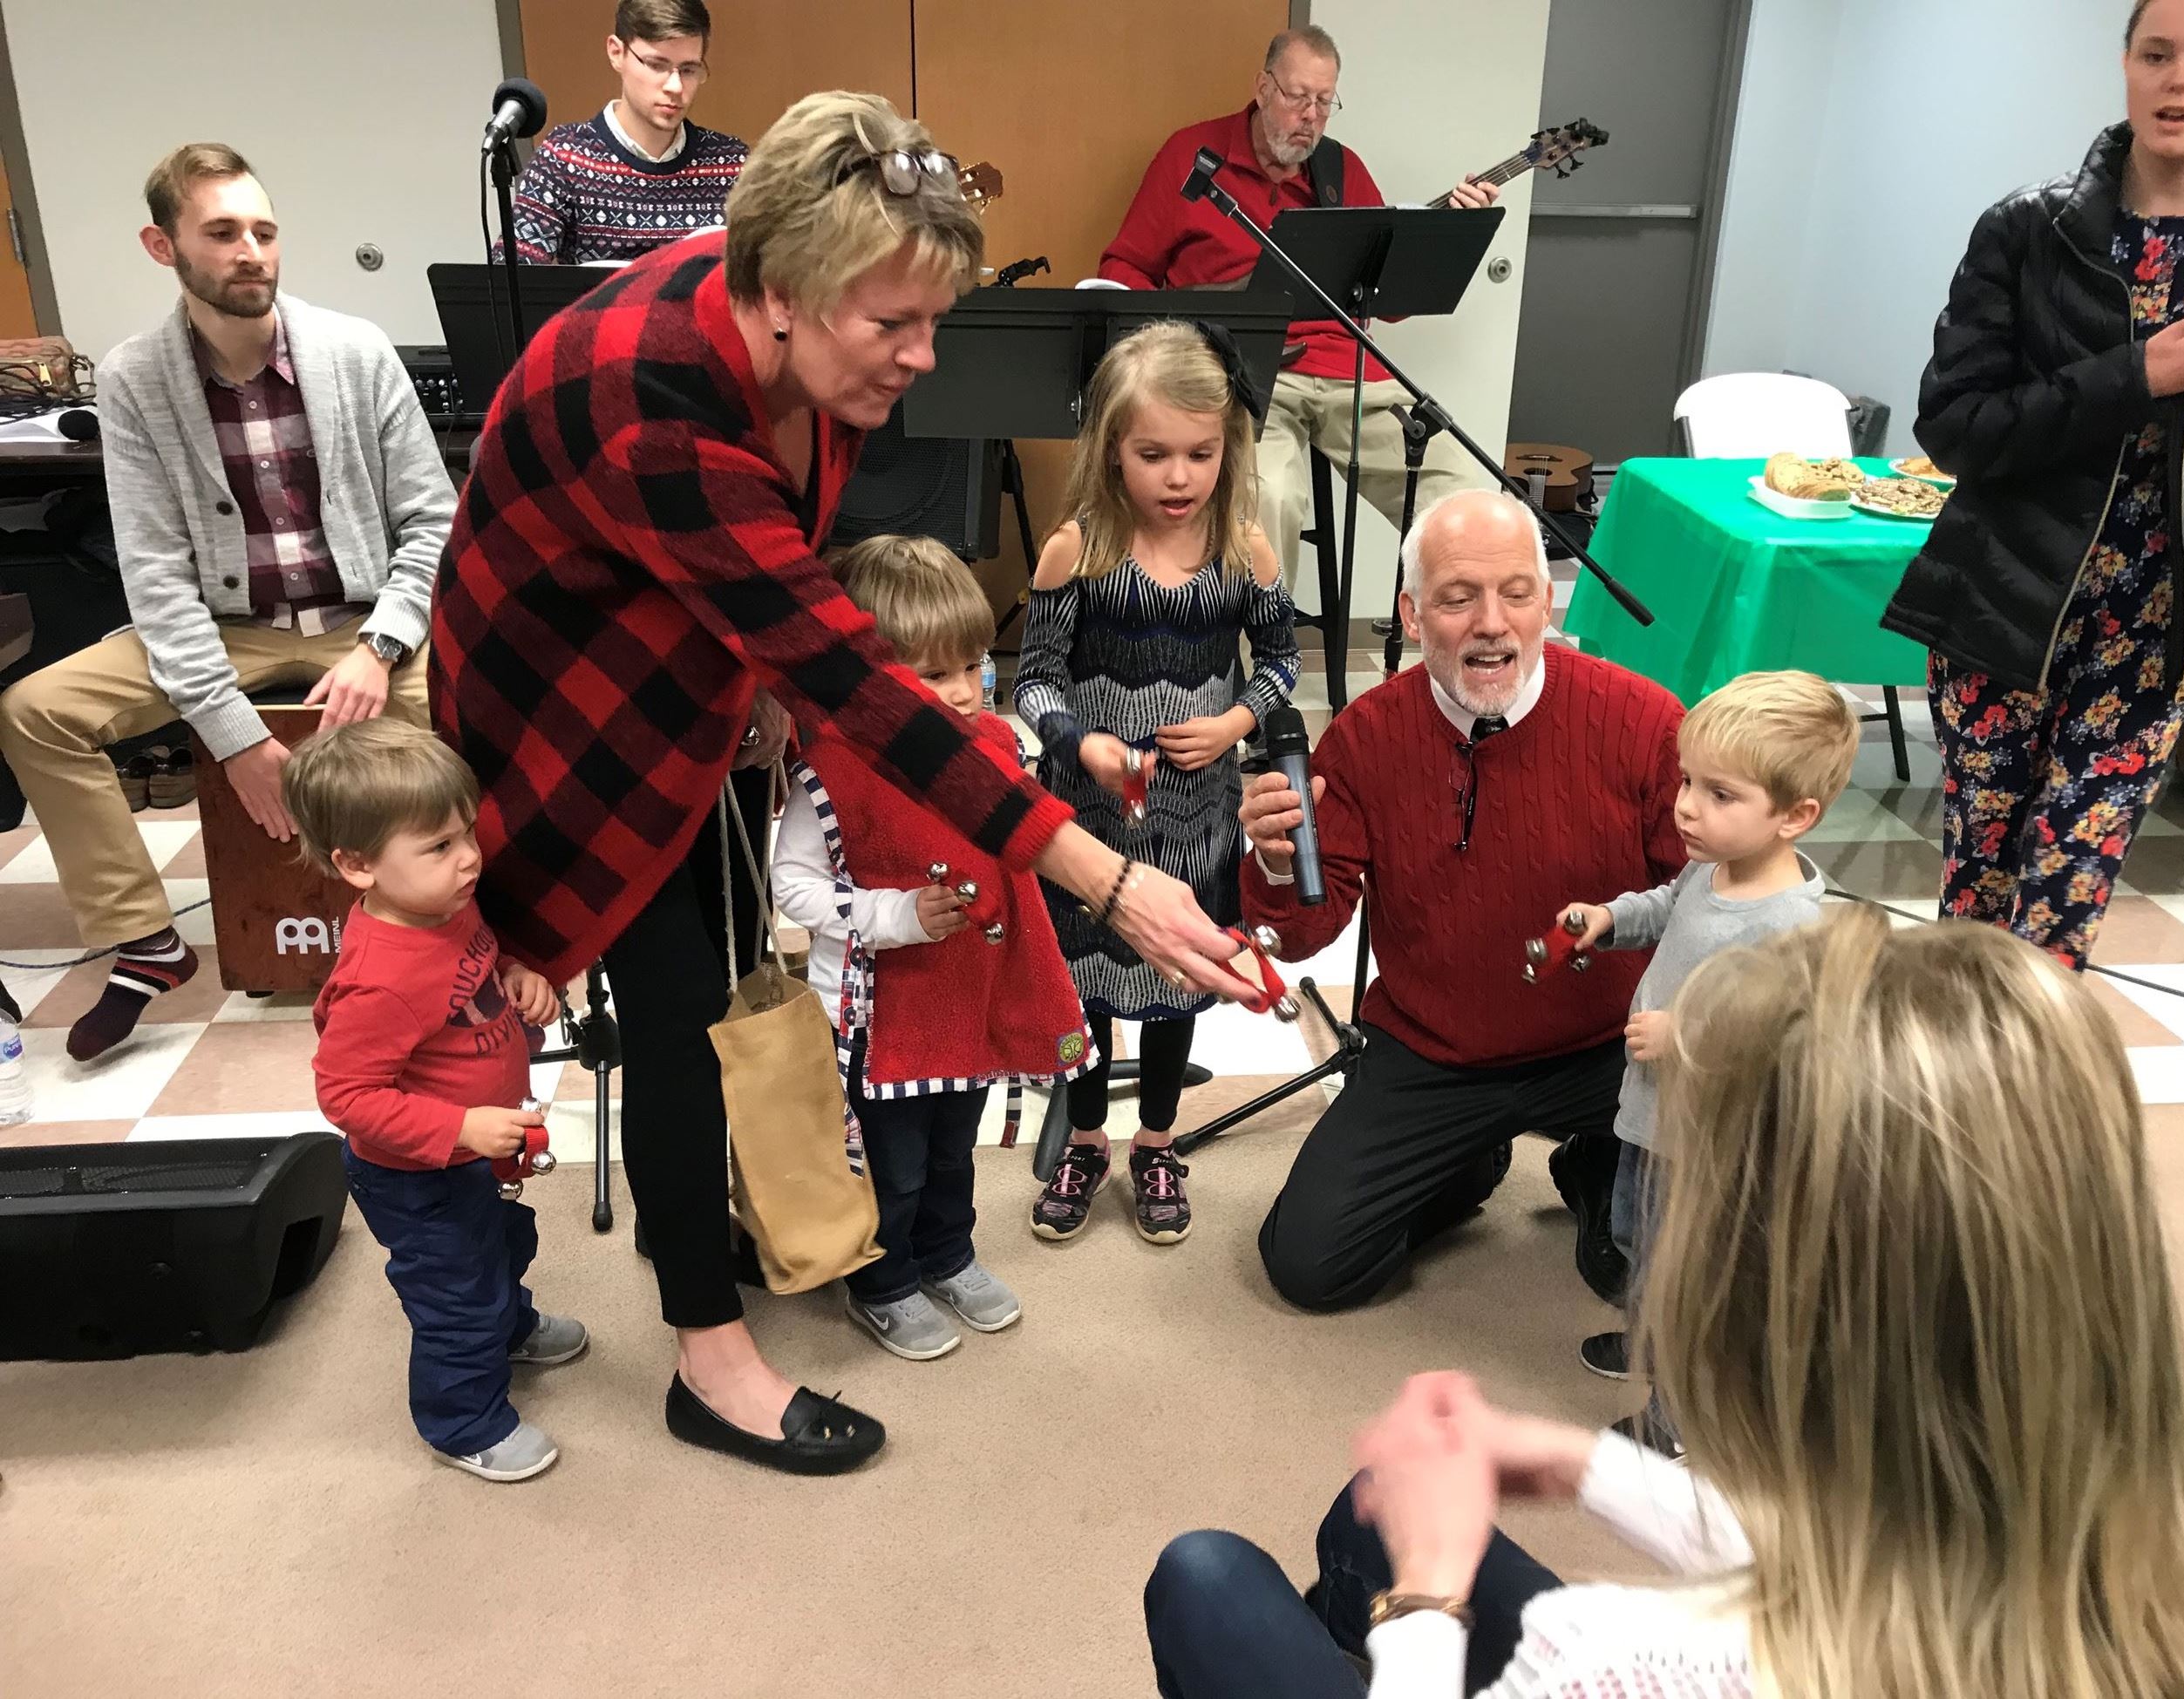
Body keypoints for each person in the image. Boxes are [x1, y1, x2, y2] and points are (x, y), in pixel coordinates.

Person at [429, 92, 1260, 1478]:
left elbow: (775, 600)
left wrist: (749, 676)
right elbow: (856, 685)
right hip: (561, 708)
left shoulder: (781, 321)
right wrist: (1101, 872)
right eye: (895, 325)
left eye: (933, 318)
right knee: (687, 1011)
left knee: (716, 983)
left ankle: (702, 1238)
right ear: (777, 295)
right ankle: (708, 1354)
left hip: (668, 637)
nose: (924, 359)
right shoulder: (653, 401)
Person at [1144, 910, 2184, 1698]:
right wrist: (1595, 1469)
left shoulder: (1616, 1659)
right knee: (1373, 1508)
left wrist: (1428, 1611)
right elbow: (1889, 1552)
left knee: (1207, 1576)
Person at [0, 143, 454, 1063]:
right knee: (37, 712)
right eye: (222, 232)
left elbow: (435, 523)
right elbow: (155, 576)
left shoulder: (355, 353)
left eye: (264, 230)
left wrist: (380, 646)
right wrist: (235, 736)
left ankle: (468, 933)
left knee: (485, 707)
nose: (251, 250)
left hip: (363, 630)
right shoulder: (135, 380)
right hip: (227, 630)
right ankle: (147, 941)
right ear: (163, 246)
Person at [1882, 0, 2184, 968]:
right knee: (1979, 896)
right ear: (2126, 63)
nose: (2180, 79)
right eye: (2156, 53)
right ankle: (1947, 1105)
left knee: (2060, 909)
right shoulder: (2028, 229)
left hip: (2159, 629)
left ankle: (2022, 1113)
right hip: (2005, 607)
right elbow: (1954, 426)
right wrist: (2135, 377)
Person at [1239, 488, 1684, 1312]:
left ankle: (1594, 1158)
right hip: (1434, 1051)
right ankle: (1471, 1156)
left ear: (1547, 601)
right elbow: (1301, 936)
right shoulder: (1364, 738)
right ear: (1410, 614)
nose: (1491, 622)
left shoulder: (1643, 719)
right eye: (1456, 597)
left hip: (1613, 1046)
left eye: (1516, 592)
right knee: (1312, 1268)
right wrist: (1271, 864)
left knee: (1700, 1251)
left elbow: (1701, 900)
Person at [772, 534, 1092, 1362]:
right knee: (895, 1163)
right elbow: (794, 889)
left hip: (968, 994)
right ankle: (883, 1280)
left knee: (955, 1147)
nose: (958, 695)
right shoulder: (832, 771)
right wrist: (893, 914)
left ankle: (948, 1255)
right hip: (880, 1015)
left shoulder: (991, 743)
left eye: (971, 667)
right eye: (932, 675)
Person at [1016, 321, 1298, 1246]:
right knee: (1087, 984)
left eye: (1200, 454)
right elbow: (1031, 678)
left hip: (1196, 816)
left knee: (1180, 978)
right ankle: (1086, 1135)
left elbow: (1283, 664)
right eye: (1152, 454)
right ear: (1109, 449)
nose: (1178, 477)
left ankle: (1158, 1138)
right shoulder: (1077, 549)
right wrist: (1081, 741)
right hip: (1091, 815)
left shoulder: (1244, 550)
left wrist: (1230, 723)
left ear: (1230, 449)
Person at [1555, 669, 1855, 1446]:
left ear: (1796, 815)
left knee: (1689, 1277)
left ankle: (1678, 1420)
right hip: (1652, 1116)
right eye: (1688, 781)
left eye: (1720, 794)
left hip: (1711, 1143)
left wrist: (1683, 1038)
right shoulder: (1712, 865)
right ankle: (1653, 1338)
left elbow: (1780, 1042)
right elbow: (1665, 906)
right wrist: (1609, 917)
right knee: (1634, 1239)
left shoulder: (1790, 922)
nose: (1687, 804)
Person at [1098, 26, 1501, 595]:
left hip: (1349, 374)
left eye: (1323, 102)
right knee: (1270, 502)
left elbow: (1387, 303)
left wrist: (1447, 235)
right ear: (1262, 88)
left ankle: (1463, 655)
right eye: (1296, 97)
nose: (1309, 115)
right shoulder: (1191, 157)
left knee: (1465, 493)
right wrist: (1167, 345)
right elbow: (1124, 265)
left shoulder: (1341, 171)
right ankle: (1267, 671)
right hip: (1245, 373)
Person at [286, 720, 580, 1484]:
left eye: (465, 834)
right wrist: (458, 1124)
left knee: (500, 1246)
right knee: (455, 1296)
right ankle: (463, 1422)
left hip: (468, 1155)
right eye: (439, 846)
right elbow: (343, 1093)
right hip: (414, 1174)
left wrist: (515, 973)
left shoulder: (444, 906)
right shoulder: (381, 977)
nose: (470, 858)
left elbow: (475, 973)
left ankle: (509, 1328)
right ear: (357, 866)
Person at [504, 0, 748, 266]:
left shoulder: (732, 164)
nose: (675, 87)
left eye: (689, 70)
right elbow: (512, 278)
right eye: (656, 65)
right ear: (616, 53)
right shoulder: (565, 158)